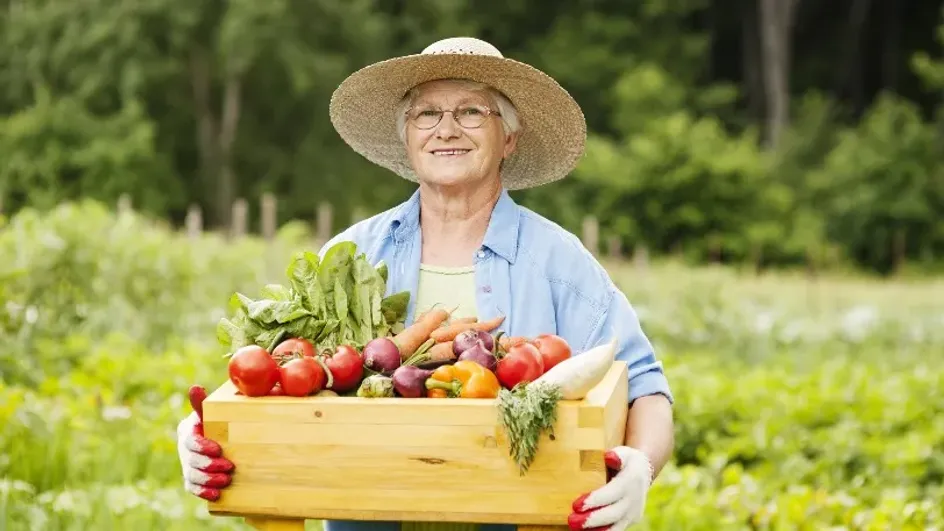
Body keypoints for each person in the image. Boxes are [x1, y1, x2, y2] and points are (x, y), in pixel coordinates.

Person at [177, 37, 675, 531]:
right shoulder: (353, 256)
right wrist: (205, 430)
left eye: (472, 112)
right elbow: (276, 371)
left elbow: (646, 390)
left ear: (510, 138)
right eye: (427, 114)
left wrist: (640, 466)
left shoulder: (558, 261)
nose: (447, 129)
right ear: (408, 138)